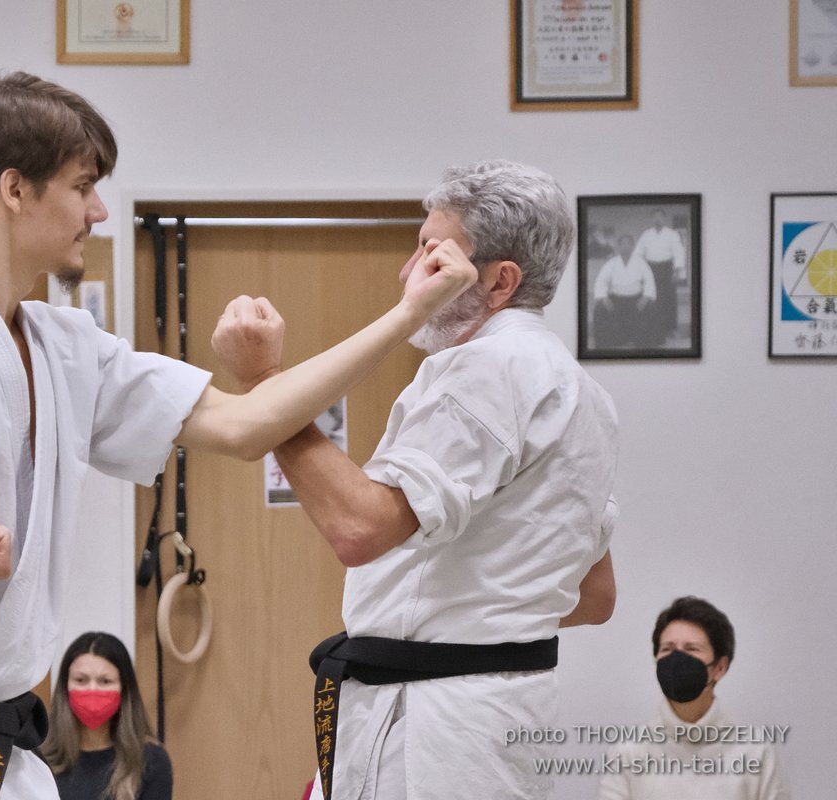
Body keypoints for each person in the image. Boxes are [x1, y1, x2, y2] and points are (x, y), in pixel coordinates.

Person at [0, 72, 478, 799]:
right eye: (82, 187)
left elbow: (245, 428)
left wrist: (409, 315)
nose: (98, 211)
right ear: (14, 188)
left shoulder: (62, 347)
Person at [213, 160, 620, 800]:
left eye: (432, 256)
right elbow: (593, 594)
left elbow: (360, 528)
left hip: (437, 733)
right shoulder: (582, 393)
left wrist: (265, 384)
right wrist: (476, 625)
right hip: (493, 716)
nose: (408, 274)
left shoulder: (490, 368)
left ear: (499, 281)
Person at [597, 597, 792, 800]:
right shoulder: (628, 753)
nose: (677, 660)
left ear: (720, 667)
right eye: (667, 649)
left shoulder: (756, 753)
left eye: (692, 649)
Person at [43, 632, 171, 800]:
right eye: (81, 680)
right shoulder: (40, 756)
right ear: (65, 687)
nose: (92, 690)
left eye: (105, 681)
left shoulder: (150, 760)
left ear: (124, 690)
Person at [592, 234, 659, 349]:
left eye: (628, 244)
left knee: (650, 307)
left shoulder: (641, 262)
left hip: (636, 299)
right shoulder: (611, 263)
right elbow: (601, 281)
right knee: (600, 308)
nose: (625, 247)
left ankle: (643, 342)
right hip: (616, 299)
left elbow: (649, 280)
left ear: (633, 246)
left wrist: (645, 297)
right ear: (618, 247)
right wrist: (604, 298)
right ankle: (609, 341)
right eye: (622, 244)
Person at [632, 208, 685, 343]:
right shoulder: (646, 235)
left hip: (667, 268)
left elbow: (678, 252)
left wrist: (677, 270)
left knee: (669, 299)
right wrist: (638, 270)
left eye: (660, 217)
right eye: (654, 217)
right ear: (651, 219)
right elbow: (638, 253)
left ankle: (671, 329)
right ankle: (655, 329)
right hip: (650, 268)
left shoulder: (672, 234)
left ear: (664, 219)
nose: (657, 219)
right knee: (652, 298)